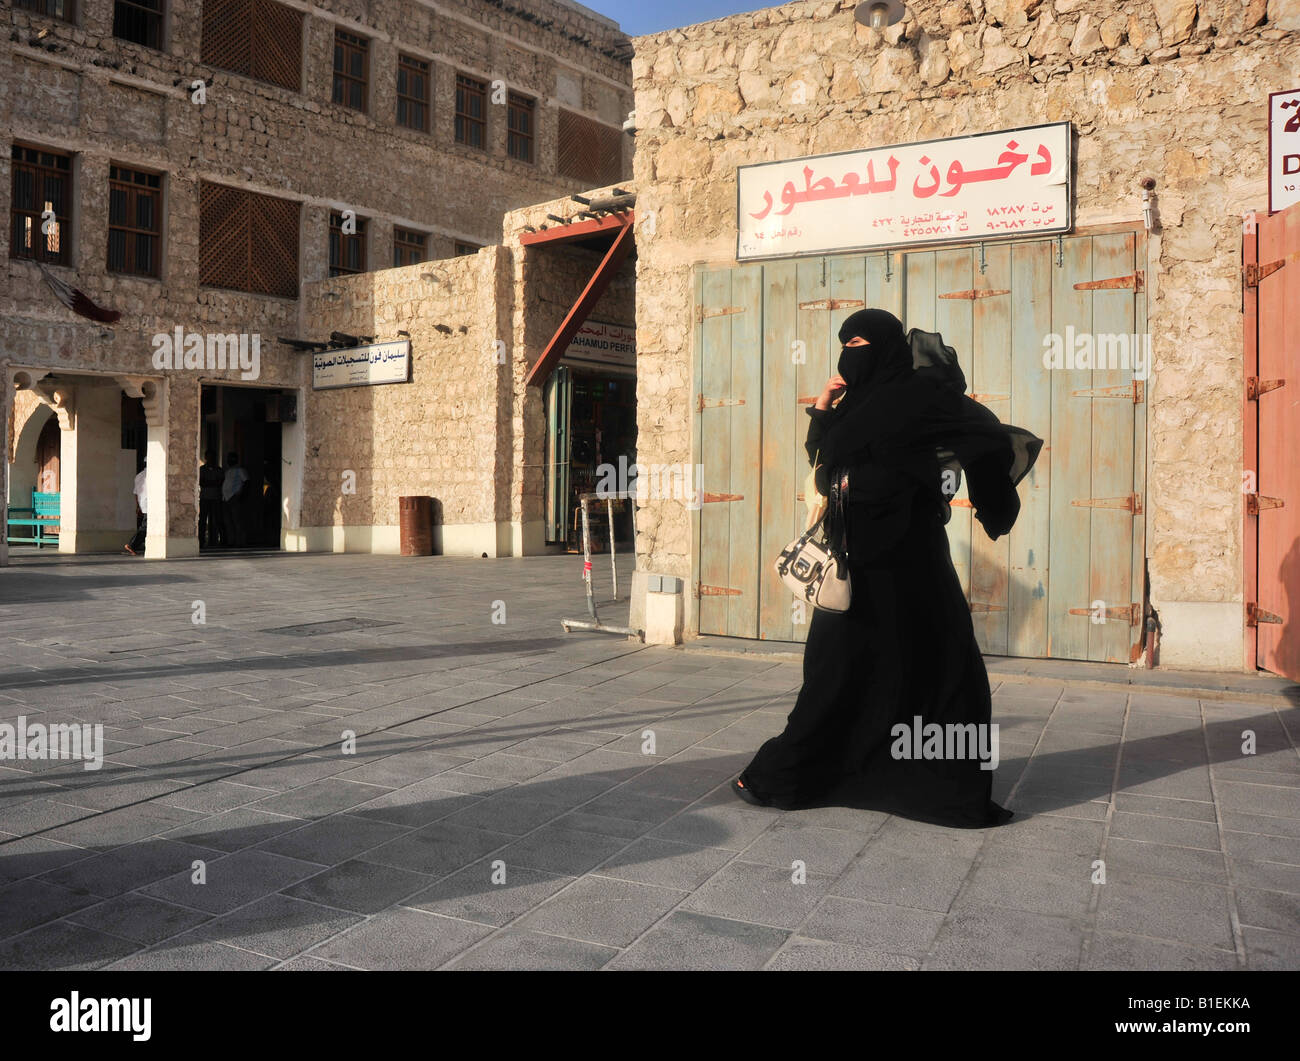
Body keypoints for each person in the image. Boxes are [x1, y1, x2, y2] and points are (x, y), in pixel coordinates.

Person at [733, 309, 1043, 829]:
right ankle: (789, 774)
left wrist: (992, 498)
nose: (850, 351)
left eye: (860, 342)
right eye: (844, 342)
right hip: (853, 567)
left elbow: (983, 433)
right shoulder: (854, 404)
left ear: (888, 347)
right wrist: (822, 406)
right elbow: (824, 459)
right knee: (834, 674)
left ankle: (945, 791)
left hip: (914, 565)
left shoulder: (924, 397)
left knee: (941, 669)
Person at [222, 451, 249, 548]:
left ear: (236, 460)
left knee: (237, 520)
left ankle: (240, 541)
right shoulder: (227, 471)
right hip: (225, 498)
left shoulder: (240, 470)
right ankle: (231, 541)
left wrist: (240, 495)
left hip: (234, 497)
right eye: (229, 459)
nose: (230, 460)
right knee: (228, 521)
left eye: (232, 458)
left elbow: (246, 482)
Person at [199, 451, 224, 549]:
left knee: (218, 519)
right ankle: (201, 541)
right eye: (209, 456)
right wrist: (213, 482)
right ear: (205, 457)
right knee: (202, 520)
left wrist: (209, 482)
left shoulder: (219, 470)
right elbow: (202, 482)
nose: (210, 459)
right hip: (205, 497)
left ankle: (220, 540)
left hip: (216, 498)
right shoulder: (202, 469)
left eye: (212, 456)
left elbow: (220, 482)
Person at [124, 461, 147, 555]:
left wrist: (138, 506)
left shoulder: (139, 476)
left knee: (146, 524)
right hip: (151, 503)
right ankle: (132, 545)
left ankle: (133, 545)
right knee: (146, 526)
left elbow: (136, 493)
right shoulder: (154, 474)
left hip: (143, 503)